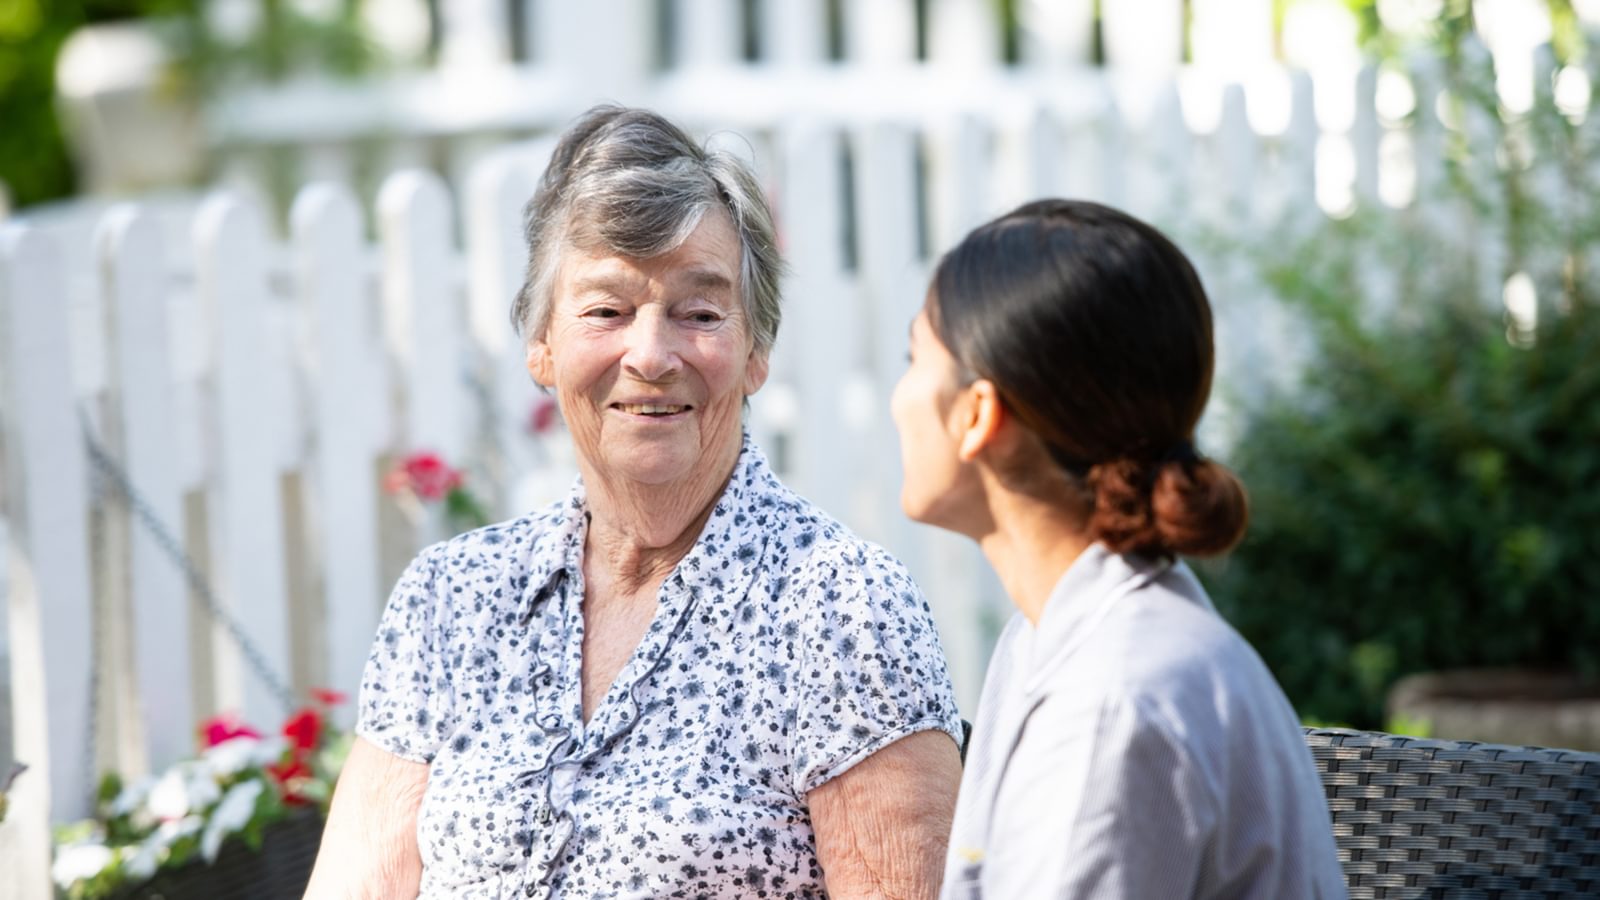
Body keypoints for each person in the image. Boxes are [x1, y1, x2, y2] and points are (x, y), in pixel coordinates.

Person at [305, 106, 965, 900]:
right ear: (542, 346)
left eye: (700, 313)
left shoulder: (841, 608)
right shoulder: (451, 598)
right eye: (607, 311)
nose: (651, 355)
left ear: (755, 353)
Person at [889, 199, 1347, 899]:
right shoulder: (1049, 641)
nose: (900, 397)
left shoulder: (1111, 704)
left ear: (977, 415)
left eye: (914, 359)